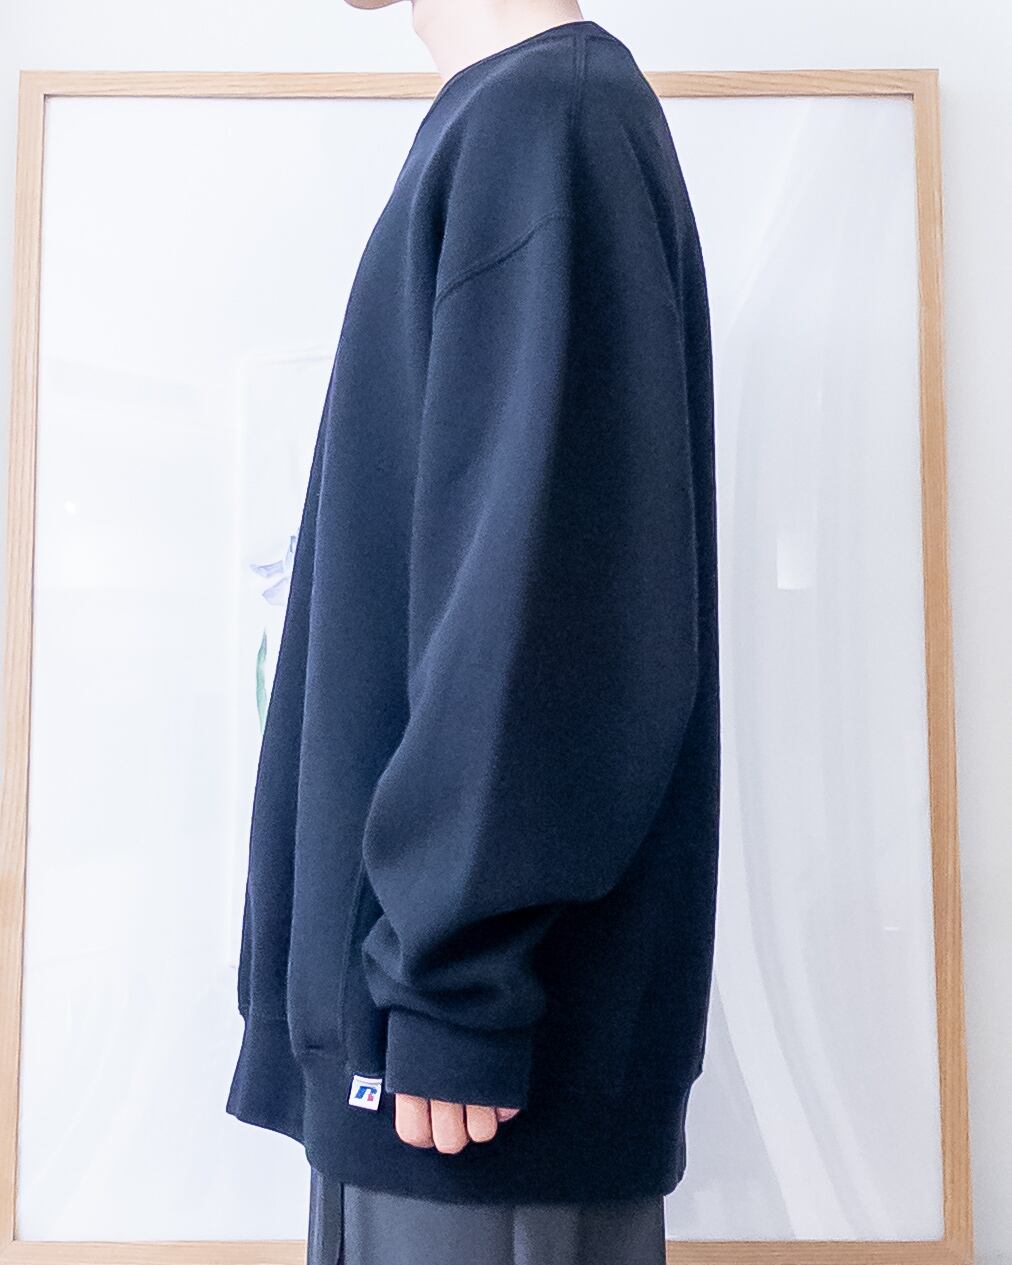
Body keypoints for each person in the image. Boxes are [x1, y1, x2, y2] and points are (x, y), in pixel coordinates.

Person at [225, 1, 720, 1261]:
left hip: (468, 1079)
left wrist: (454, 992)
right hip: (422, 1044)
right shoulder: (513, 121)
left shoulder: (547, 122)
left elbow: (547, 605)